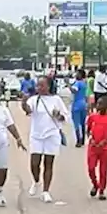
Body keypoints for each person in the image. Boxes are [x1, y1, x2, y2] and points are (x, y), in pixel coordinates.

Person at [21, 75, 65, 203]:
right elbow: (28, 110)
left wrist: (58, 116)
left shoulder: (56, 100)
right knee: (34, 163)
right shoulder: (35, 99)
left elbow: (64, 118)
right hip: (36, 135)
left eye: (42, 85)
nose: (39, 88)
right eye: (38, 85)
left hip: (51, 135)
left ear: (49, 86)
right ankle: (36, 181)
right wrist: (24, 102)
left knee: (48, 163)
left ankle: (46, 191)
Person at [86, 95, 107, 199]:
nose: (98, 105)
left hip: (105, 148)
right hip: (93, 147)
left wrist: (105, 141)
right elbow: (88, 130)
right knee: (91, 168)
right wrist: (92, 139)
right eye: (97, 103)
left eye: (101, 104)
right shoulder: (92, 117)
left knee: (103, 170)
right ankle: (95, 184)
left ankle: (102, 190)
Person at [70, 70, 90, 147]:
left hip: (76, 105)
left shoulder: (77, 83)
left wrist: (68, 84)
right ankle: (83, 140)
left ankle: (78, 140)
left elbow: (74, 91)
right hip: (83, 104)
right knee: (82, 123)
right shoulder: (84, 83)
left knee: (76, 124)